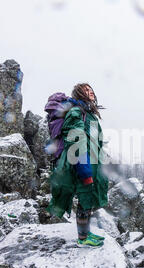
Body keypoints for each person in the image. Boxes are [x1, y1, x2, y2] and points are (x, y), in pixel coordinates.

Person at [46, 83, 109, 248]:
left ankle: (85, 234)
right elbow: (76, 140)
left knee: (87, 199)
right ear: (79, 94)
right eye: (86, 90)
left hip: (91, 162)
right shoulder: (76, 112)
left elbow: (94, 141)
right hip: (82, 163)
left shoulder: (89, 114)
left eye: (92, 90)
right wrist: (84, 169)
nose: (91, 92)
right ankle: (83, 237)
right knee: (85, 197)